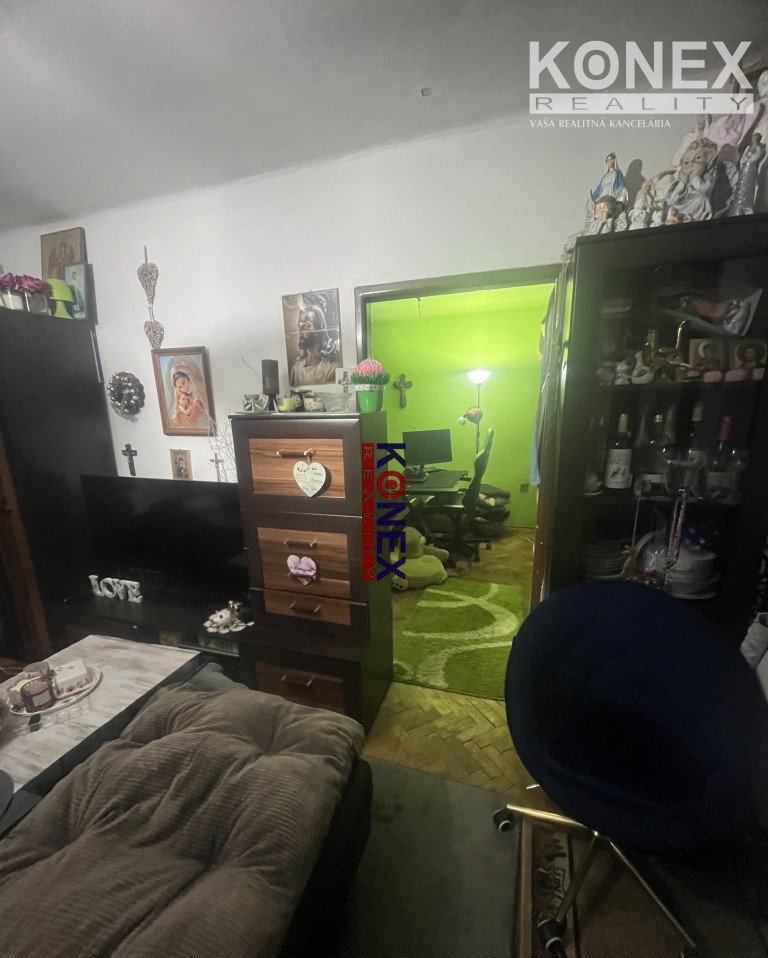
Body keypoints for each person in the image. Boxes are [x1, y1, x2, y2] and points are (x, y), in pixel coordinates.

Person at [289, 304, 339, 386]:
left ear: (318, 330)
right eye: (299, 326)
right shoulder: (296, 367)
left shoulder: (331, 366)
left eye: (306, 326)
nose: (300, 331)